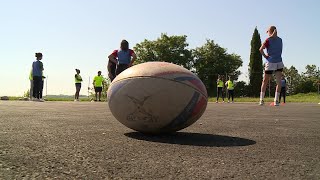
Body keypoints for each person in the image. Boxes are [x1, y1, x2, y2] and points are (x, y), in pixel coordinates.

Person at [259, 26, 284, 106]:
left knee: (265, 81)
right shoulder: (280, 40)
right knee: (279, 82)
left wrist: (265, 56)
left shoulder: (268, 40)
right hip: (279, 62)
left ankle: (261, 100)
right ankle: (276, 101)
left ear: (270, 31)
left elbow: (260, 49)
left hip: (270, 62)